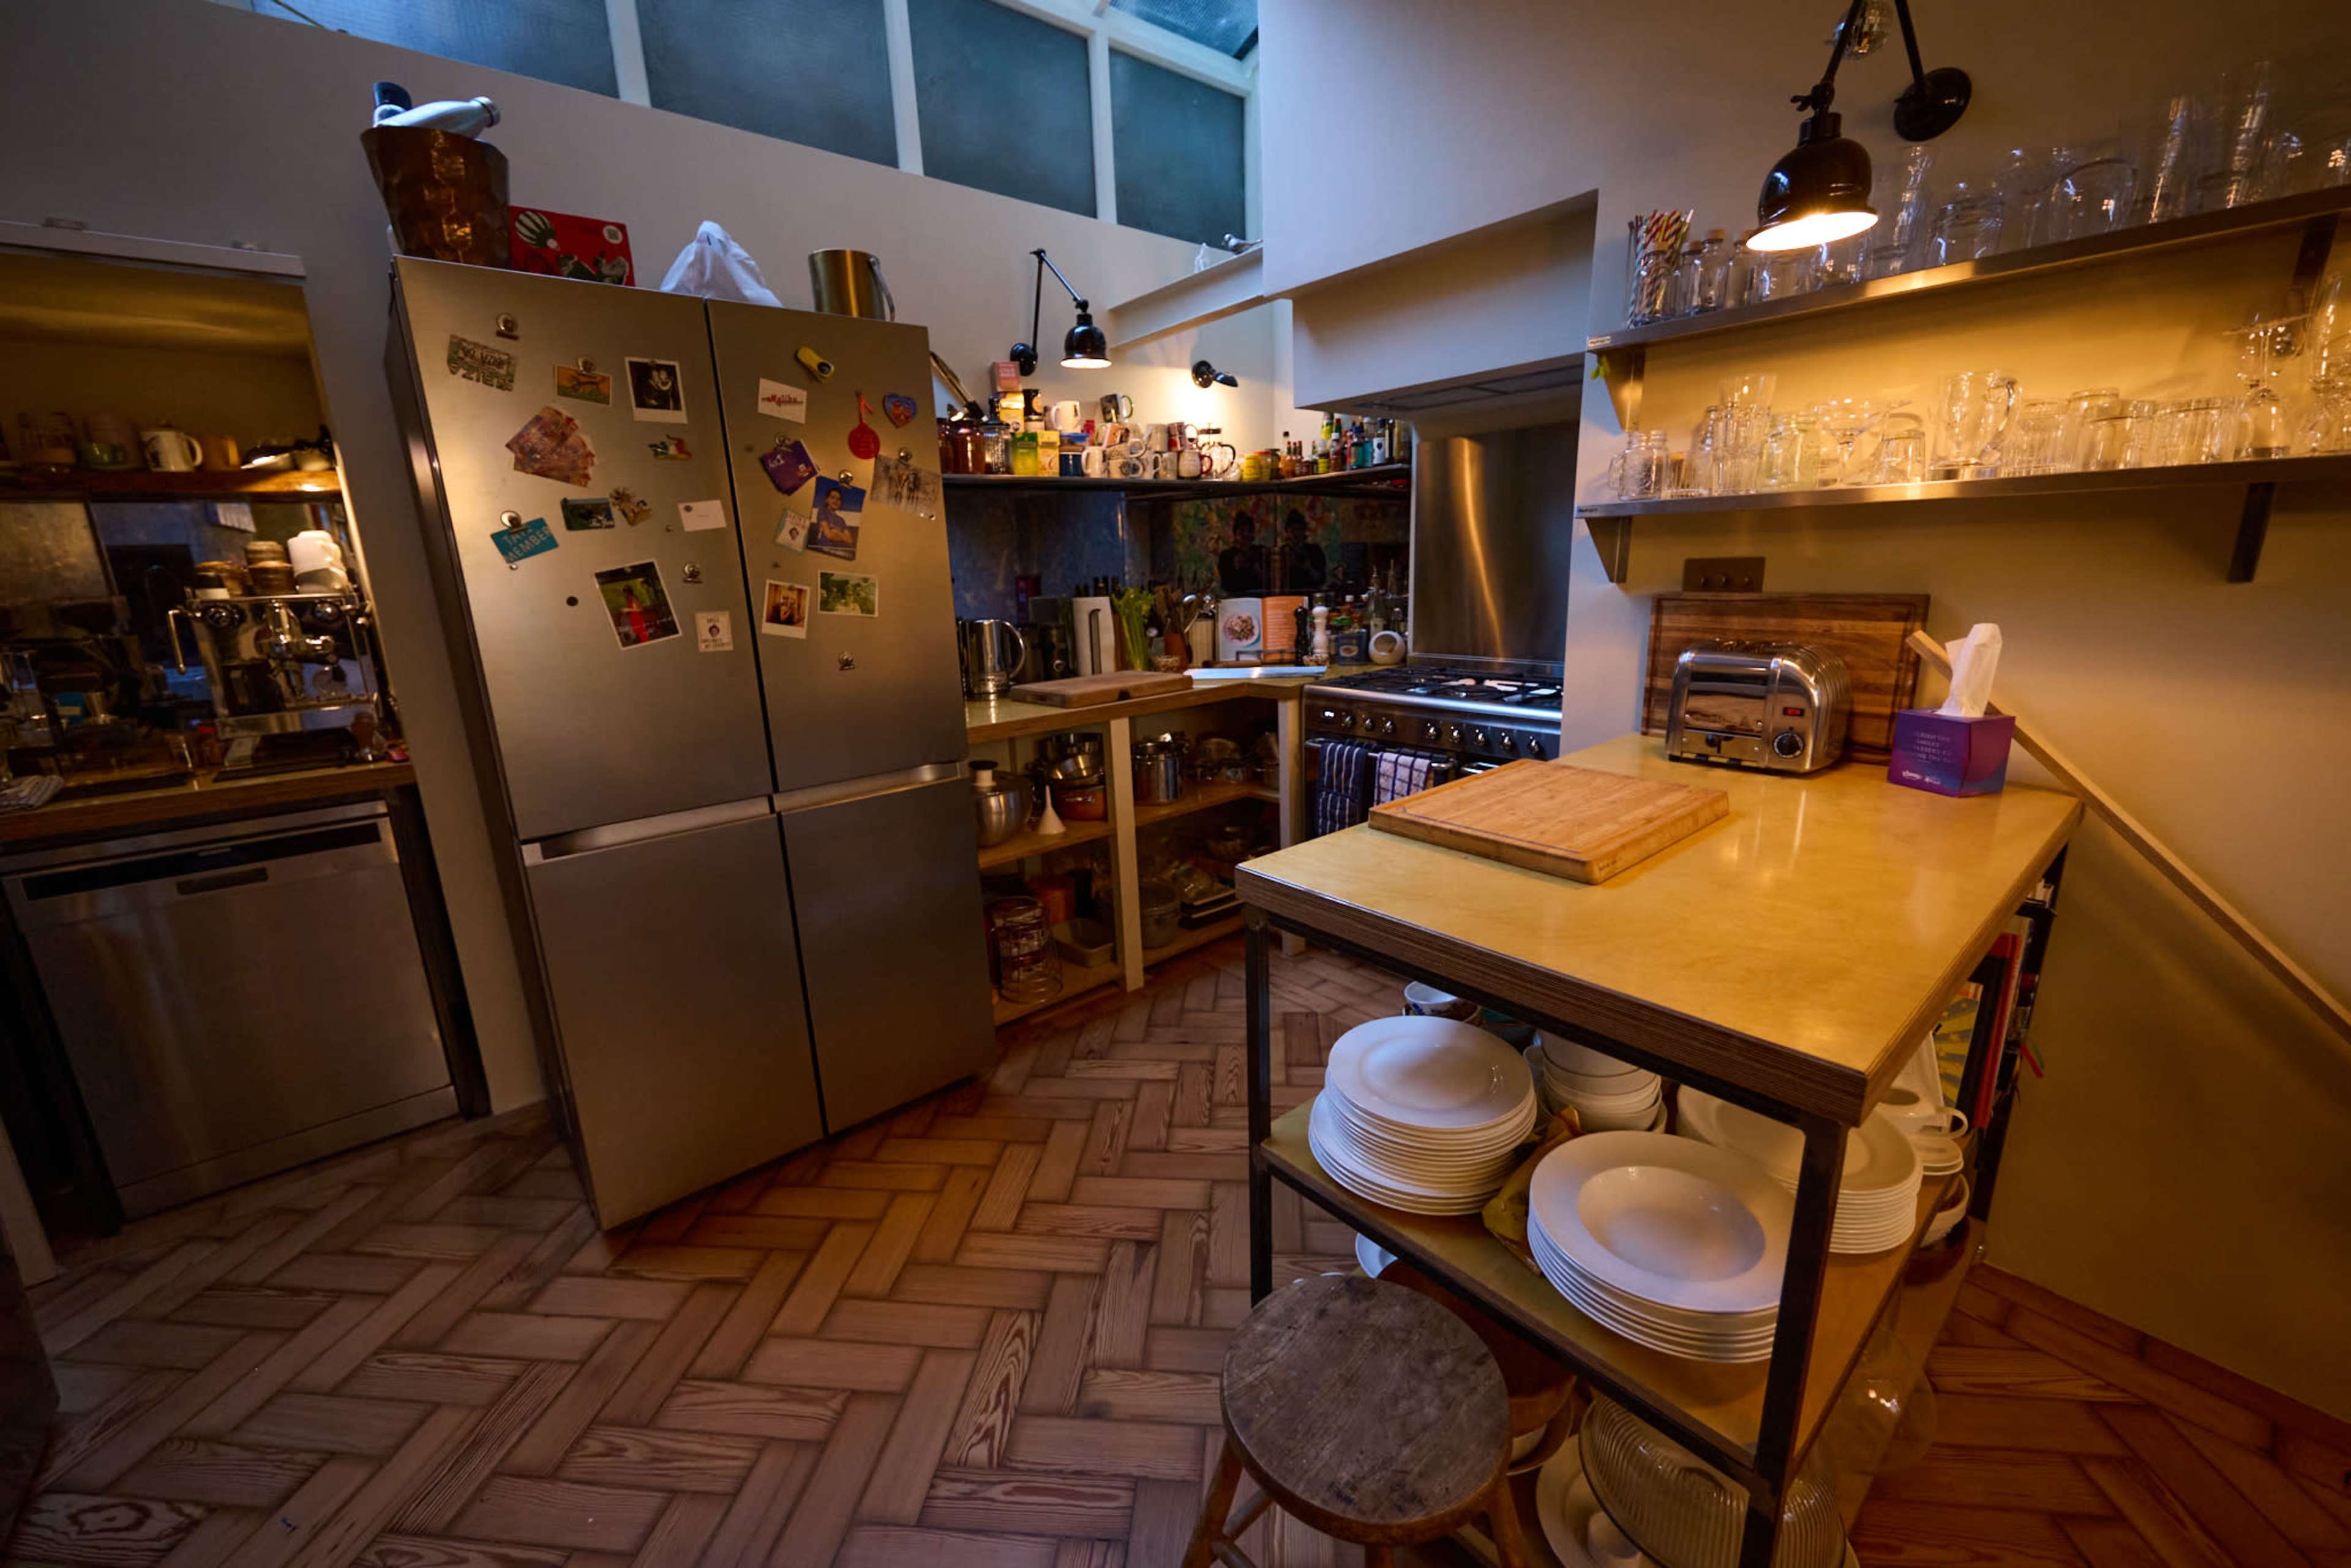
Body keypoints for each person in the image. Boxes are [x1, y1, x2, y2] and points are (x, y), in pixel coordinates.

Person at [1217, 511, 1269, 594]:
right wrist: (1235, 568)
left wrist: (1256, 567)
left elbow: (1268, 582)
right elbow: (1226, 585)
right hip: (1236, 597)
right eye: (1242, 531)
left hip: (1258, 596)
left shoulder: (1262, 552)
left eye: (1248, 531)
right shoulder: (1226, 556)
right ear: (1236, 534)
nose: (1245, 534)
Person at [1279, 509, 1327, 593]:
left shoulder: (1314, 551)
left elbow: (1321, 579)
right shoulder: (1282, 552)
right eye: (1293, 530)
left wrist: (1308, 567)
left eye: (1299, 529)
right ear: (1287, 532)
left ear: (1304, 531)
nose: (1296, 534)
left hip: (1309, 593)